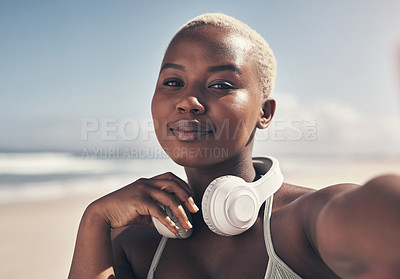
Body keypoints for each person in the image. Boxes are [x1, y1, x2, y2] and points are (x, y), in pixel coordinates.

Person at [68, 13, 400, 279]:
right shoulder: (133, 243)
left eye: (221, 84)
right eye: (173, 82)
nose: (188, 101)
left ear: (264, 112)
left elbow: (381, 212)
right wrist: (94, 219)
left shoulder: (308, 220)